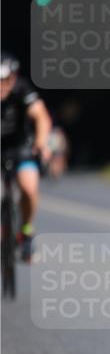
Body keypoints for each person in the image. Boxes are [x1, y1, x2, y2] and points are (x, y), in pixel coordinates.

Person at [0, 53, 52, 260]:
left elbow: (42, 118)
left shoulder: (22, 90)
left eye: (6, 80)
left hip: (21, 147)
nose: (3, 85)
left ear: (14, 77)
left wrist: (41, 143)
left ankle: (26, 231)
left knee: (29, 189)